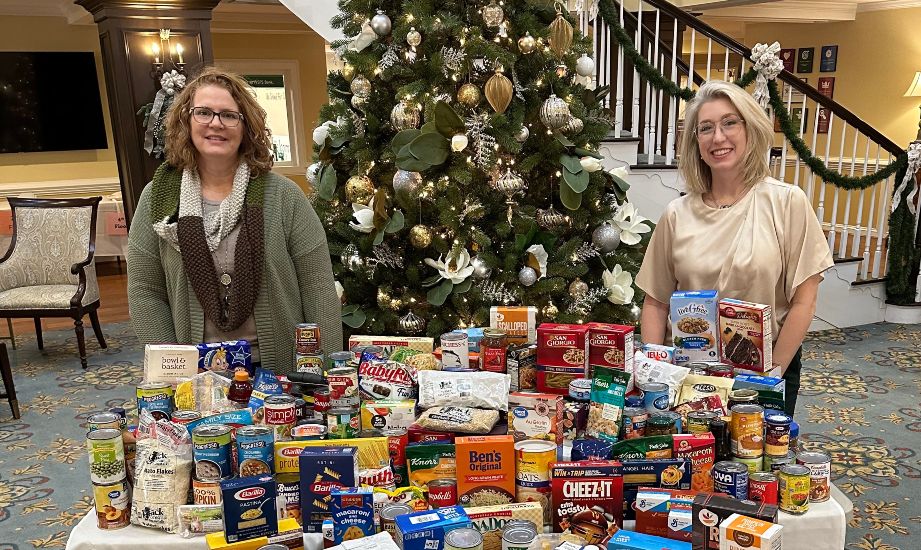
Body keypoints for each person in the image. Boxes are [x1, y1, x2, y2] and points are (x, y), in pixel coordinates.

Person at [635, 80, 833, 415]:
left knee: (756, 462)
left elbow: (804, 300)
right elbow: (655, 303)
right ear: (696, 143)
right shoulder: (676, 214)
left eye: (730, 123)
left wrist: (773, 374)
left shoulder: (787, 202)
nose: (718, 137)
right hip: (688, 376)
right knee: (691, 463)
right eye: (706, 128)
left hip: (766, 370)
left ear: (750, 130)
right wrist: (656, 373)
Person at [127, 67, 342, 373]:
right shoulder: (158, 197)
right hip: (196, 376)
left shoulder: (284, 196)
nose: (216, 123)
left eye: (229, 115)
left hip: (280, 371)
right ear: (186, 121)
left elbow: (317, 286)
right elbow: (144, 291)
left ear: (246, 127)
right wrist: (174, 368)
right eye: (203, 113)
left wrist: (327, 371)